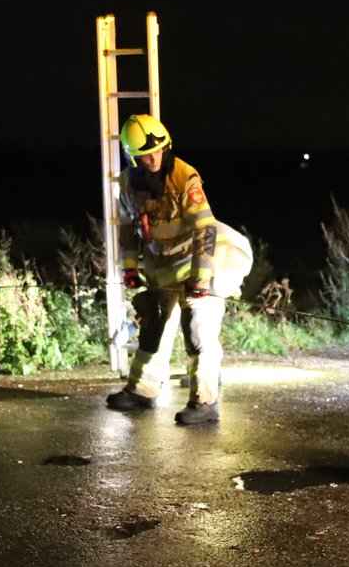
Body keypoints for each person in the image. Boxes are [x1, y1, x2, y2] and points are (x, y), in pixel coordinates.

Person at [106, 113, 252, 426]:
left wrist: (200, 281)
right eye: (146, 155)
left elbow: (206, 230)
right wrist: (130, 268)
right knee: (154, 322)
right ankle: (141, 391)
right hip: (164, 267)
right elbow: (129, 228)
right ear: (133, 158)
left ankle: (204, 402)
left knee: (198, 326)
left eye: (158, 151)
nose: (154, 158)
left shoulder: (185, 177)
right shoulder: (128, 183)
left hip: (204, 261)